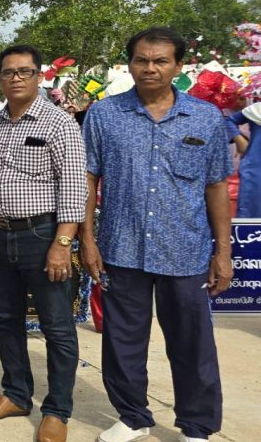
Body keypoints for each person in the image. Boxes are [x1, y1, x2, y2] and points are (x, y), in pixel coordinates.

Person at [80, 27, 232, 442]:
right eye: (141, 60)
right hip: (121, 248)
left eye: (160, 61)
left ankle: (197, 426)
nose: (150, 68)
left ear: (178, 66)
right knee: (122, 342)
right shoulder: (104, 114)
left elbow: (216, 185)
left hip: (184, 249)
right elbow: (87, 179)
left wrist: (223, 253)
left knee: (192, 343)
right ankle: (133, 417)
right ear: (129, 64)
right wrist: (87, 240)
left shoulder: (205, 117)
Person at [0, 45, 87, 442]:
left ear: (39, 76)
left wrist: (63, 243)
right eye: (9, 72)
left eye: (25, 71)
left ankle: (57, 410)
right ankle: (16, 394)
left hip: (42, 236)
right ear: (0, 79)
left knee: (56, 327)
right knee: (5, 319)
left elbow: (74, 187)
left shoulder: (60, 123)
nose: (16, 78)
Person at [229, 100, 261, 217]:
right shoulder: (257, 110)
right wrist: (239, 139)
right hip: (256, 170)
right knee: (252, 212)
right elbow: (228, 121)